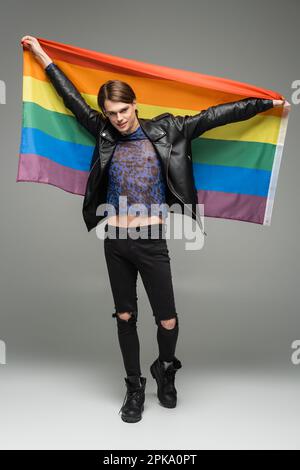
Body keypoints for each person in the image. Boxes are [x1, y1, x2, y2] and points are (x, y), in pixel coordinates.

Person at [20, 36, 285, 424]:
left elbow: (217, 115)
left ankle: (166, 369)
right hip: (115, 241)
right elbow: (70, 97)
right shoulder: (104, 132)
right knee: (125, 316)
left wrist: (268, 103)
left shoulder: (167, 131)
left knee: (167, 320)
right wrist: (42, 57)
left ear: (135, 104)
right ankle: (134, 386)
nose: (119, 119)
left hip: (151, 241)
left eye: (124, 110)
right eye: (111, 113)